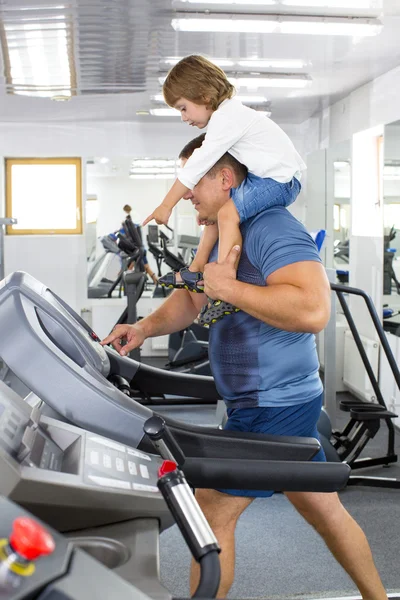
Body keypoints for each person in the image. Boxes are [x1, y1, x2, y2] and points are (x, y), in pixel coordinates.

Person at [102, 137, 387, 600]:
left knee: (210, 511)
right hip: (265, 399)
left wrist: (230, 290)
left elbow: (314, 310)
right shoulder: (222, 231)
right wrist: (144, 328)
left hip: (274, 402)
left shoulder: (272, 227)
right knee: (323, 508)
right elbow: (195, 298)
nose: (188, 192)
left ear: (226, 178)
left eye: (195, 182)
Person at [143, 55, 306, 326]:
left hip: (281, 180)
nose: (184, 118)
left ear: (204, 96)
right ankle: (195, 271)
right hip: (267, 176)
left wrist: (166, 205)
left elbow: (196, 165)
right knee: (218, 215)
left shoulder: (228, 117)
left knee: (228, 214)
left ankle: (225, 288)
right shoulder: (228, 117)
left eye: (184, 108)